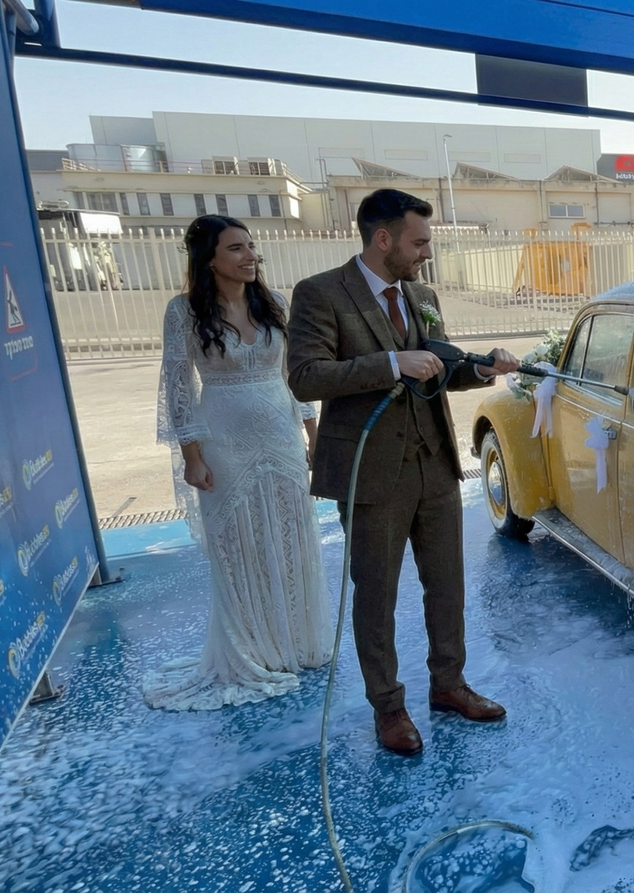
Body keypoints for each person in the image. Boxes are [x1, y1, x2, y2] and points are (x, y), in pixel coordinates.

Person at [286, 189, 520, 756]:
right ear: (382, 238)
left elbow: (434, 368)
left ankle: (449, 685)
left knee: (447, 585)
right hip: (369, 473)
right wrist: (391, 363)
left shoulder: (421, 293)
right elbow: (307, 377)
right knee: (377, 596)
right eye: (418, 243)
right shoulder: (319, 293)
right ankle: (388, 708)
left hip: (433, 465)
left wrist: (480, 368)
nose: (426, 254)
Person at [146, 215, 332, 710]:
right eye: (236, 248)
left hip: (281, 436)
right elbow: (179, 388)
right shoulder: (182, 312)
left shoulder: (273, 304)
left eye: (251, 247)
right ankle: (249, 648)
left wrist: (313, 433)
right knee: (238, 545)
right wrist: (191, 455)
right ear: (208, 258)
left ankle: (293, 642)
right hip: (223, 442)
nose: (250, 256)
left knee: (290, 535)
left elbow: (295, 375)